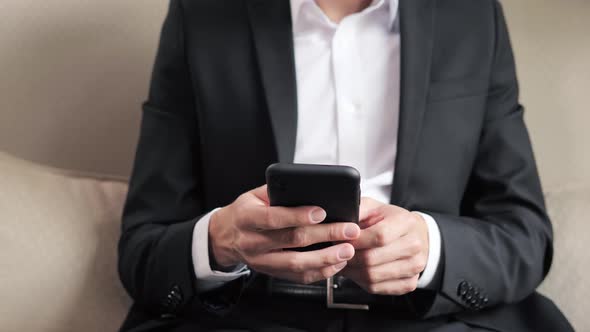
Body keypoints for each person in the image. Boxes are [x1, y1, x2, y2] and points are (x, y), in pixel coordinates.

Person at [117, 0, 573, 331]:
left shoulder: (471, 16)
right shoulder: (203, 14)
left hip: (432, 318)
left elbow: (525, 234)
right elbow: (143, 248)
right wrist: (221, 241)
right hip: (249, 315)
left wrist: (429, 250)